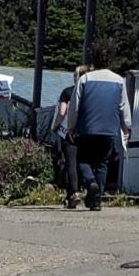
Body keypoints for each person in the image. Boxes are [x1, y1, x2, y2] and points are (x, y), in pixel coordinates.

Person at [65, 52, 132, 211]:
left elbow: (74, 106)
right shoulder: (119, 80)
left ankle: (90, 182)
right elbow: (124, 106)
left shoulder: (85, 79)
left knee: (83, 159)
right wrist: (126, 127)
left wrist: (71, 126)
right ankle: (96, 200)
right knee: (102, 163)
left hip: (87, 128)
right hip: (109, 129)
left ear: (93, 63)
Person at [51, 66, 89, 209]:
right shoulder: (90, 93)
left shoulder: (68, 92)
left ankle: (74, 193)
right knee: (85, 162)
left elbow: (62, 112)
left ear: (76, 77)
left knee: (70, 163)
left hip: (69, 132)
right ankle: (89, 189)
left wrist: (55, 126)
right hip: (87, 132)